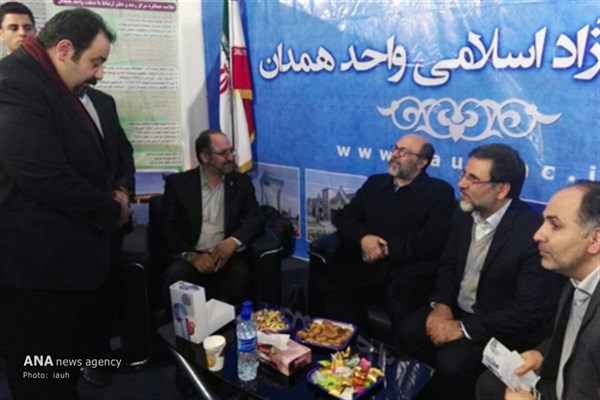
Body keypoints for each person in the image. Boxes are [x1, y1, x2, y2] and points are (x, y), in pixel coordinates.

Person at [0, 8, 130, 400]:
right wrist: (113, 209)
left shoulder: (46, 81)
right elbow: (48, 177)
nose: (99, 74)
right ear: (64, 49)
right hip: (35, 275)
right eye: (96, 61)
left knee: (60, 373)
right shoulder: (15, 84)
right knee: (41, 380)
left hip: (64, 270)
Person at [396, 144, 562, 400]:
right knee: (409, 330)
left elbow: (528, 312)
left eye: (473, 179)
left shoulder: (531, 233)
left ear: (501, 189)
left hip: (500, 328)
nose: (461, 184)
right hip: (458, 310)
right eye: (464, 174)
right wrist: (441, 306)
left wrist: (462, 328)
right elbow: (447, 265)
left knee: (453, 361)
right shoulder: (463, 213)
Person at [316, 134, 456, 331]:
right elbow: (344, 218)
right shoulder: (375, 183)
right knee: (331, 286)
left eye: (404, 152)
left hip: (408, 270)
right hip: (367, 264)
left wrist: (386, 250)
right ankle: (350, 345)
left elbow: (433, 240)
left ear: (422, 162)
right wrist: (364, 238)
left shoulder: (439, 191)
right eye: (395, 148)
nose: (395, 154)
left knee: (400, 300)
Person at [476, 181, 600, 400]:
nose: (538, 235)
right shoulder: (575, 280)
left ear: (595, 239)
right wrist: (541, 354)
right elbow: (578, 340)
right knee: (489, 383)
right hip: (563, 385)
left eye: (555, 225)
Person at [161, 129, 265, 313]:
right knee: (176, 275)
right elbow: (167, 228)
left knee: (242, 275)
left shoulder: (241, 183)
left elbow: (256, 218)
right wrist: (192, 256)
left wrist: (232, 242)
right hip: (191, 254)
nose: (230, 157)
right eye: (223, 153)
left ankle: (235, 327)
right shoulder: (178, 184)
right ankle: (181, 330)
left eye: (231, 151)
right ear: (205, 157)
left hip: (226, 255)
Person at [77, 84, 136, 387]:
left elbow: (123, 152)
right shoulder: (50, 101)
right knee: (78, 297)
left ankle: (99, 357)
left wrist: (123, 191)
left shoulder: (103, 102)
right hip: (75, 223)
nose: (99, 74)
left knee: (106, 291)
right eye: (95, 63)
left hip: (112, 222)